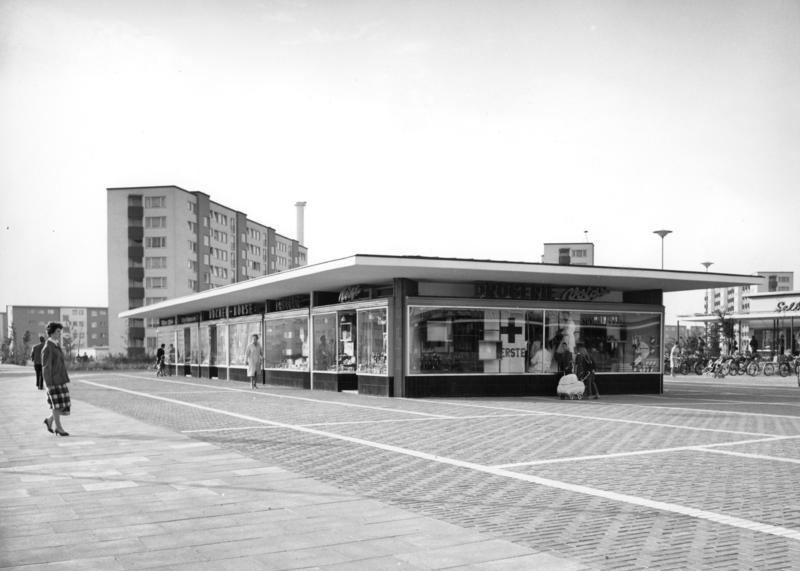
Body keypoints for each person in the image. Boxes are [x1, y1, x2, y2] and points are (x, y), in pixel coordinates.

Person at [42, 322, 71, 436]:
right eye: (58, 331)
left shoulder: (56, 344)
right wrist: (48, 383)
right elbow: (46, 367)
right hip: (53, 381)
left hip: (60, 379)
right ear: (52, 332)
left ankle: (49, 420)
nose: (60, 334)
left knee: (64, 403)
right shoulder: (48, 347)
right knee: (57, 405)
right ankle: (58, 428)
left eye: (60, 331)